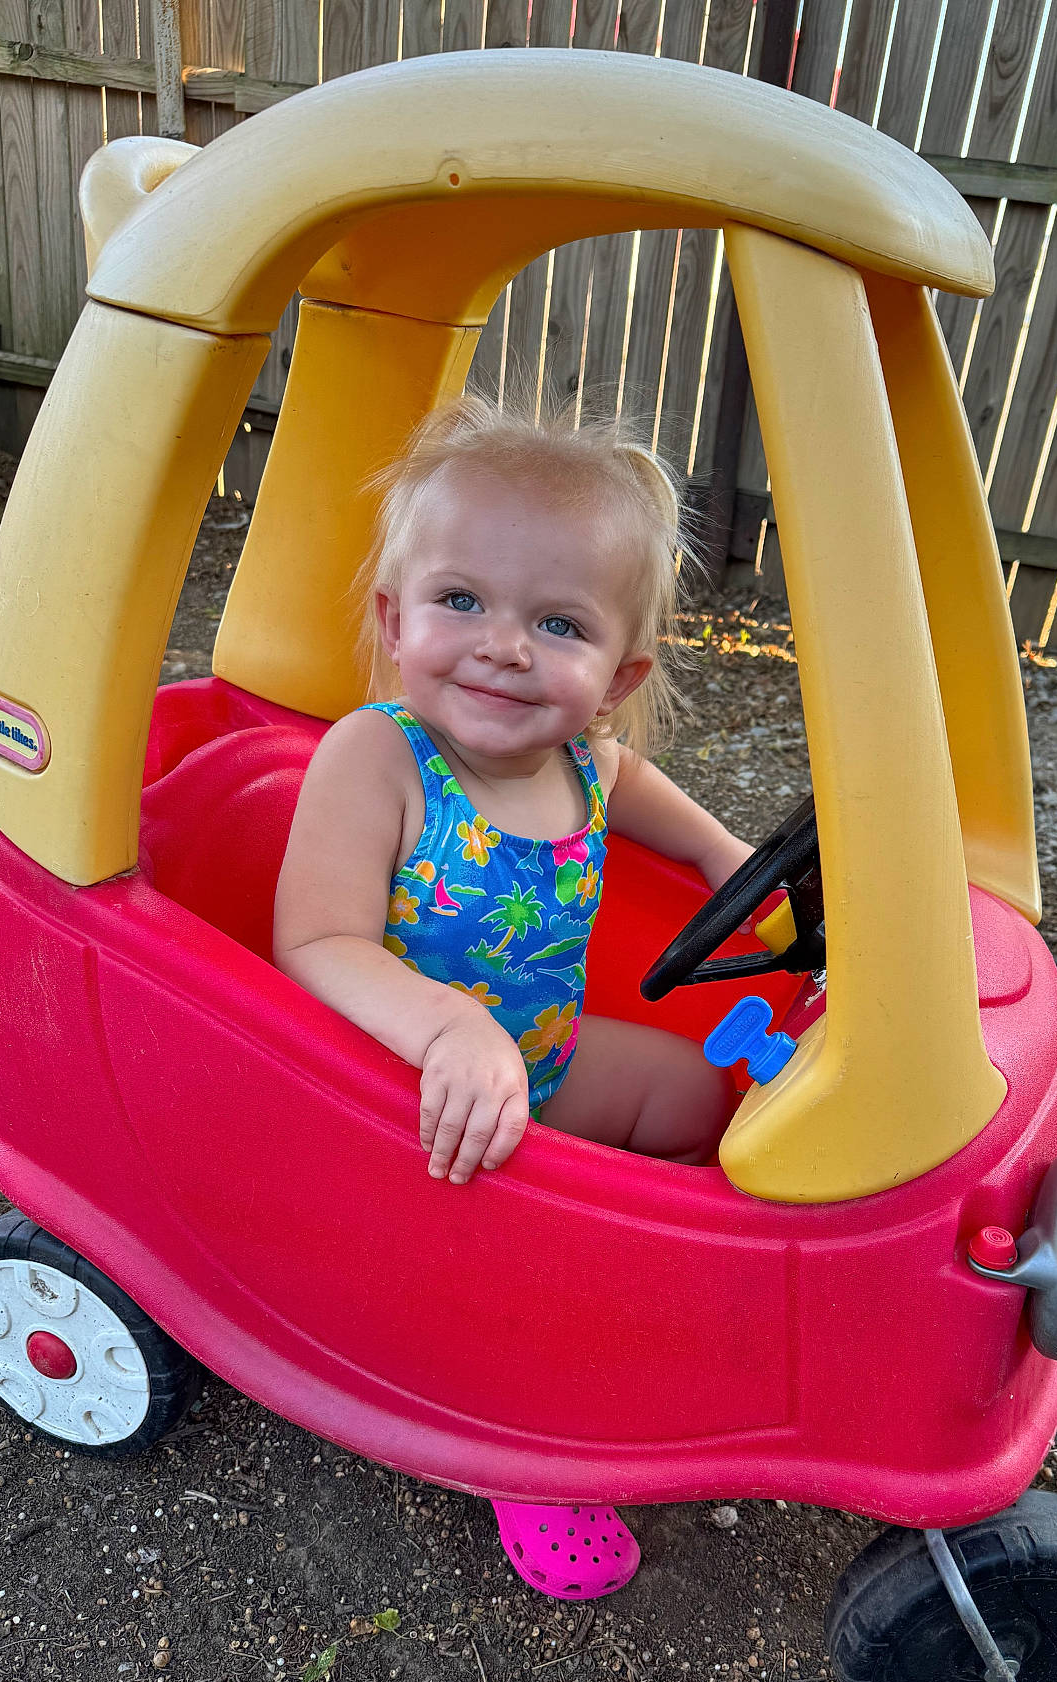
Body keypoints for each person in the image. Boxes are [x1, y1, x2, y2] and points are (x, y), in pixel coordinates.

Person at [273, 393, 754, 1598]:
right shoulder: (377, 758)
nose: (501, 645)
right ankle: (519, 1436)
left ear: (616, 672)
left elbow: (656, 800)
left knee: (705, 1090)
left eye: (556, 622)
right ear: (393, 619)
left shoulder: (585, 759)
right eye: (460, 602)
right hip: (410, 1109)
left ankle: (663, 1263)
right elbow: (315, 941)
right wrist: (448, 1027)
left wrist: (723, 859)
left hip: (540, 1061)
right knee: (509, 1284)